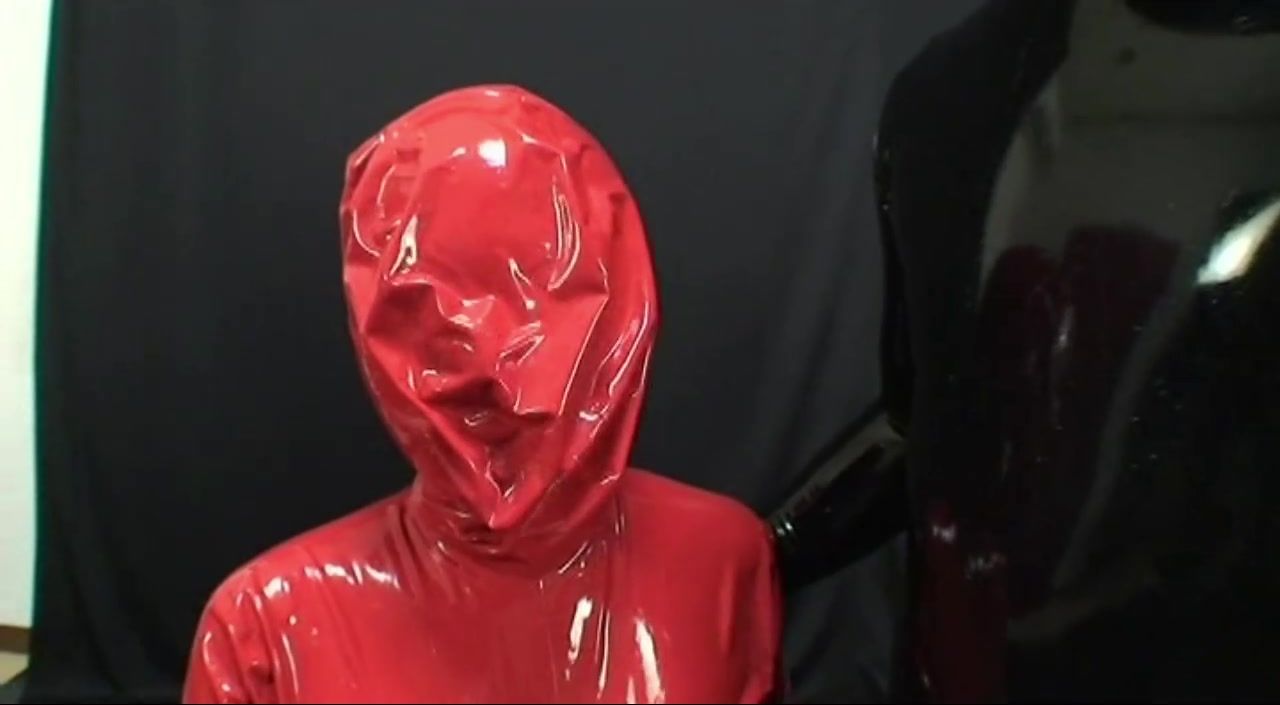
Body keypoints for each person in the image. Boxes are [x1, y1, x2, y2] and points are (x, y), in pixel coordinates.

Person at [181, 85, 782, 704]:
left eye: (545, 295)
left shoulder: (725, 565)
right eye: (431, 312)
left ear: (624, 310)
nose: (494, 366)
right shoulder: (265, 629)